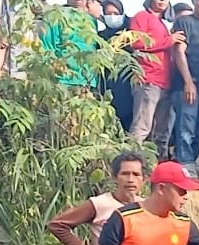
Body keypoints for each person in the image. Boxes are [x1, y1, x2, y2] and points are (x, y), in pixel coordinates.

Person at [130, 0, 184, 158]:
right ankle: (130, 168)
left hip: (165, 83)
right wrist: (169, 40)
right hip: (148, 79)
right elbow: (136, 42)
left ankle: (156, 172)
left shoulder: (163, 24)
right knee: (141, 128)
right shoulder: (141, 17)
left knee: (161, 133)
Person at [171, 0, 199, 177]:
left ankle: (190, 171)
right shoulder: (183, 22)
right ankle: (186, 172)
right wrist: (188, 82)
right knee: (185, 132)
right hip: (185, 87)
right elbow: (178, 52)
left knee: (197, 135)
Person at [39, 0, 99, 88]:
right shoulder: (54, 16)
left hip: (88, 82)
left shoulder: (91, 20)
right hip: (64, 82)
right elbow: (47, 49)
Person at [98, 0, 134, 131]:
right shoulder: (100, 37)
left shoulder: (131, 35)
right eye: (108, 14)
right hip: (107, 86)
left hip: (128, 84)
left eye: (116, 13)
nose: (112, 17)